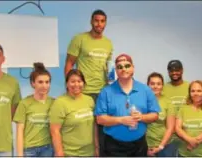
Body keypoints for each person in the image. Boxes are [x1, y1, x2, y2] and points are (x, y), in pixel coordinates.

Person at [64, 9, 114, 154]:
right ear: (91, 21)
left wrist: (112, 87)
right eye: (96, 20)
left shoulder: (108, 43)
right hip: (84, 92)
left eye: (102, 21)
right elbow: (69, 64)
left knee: (104, 129)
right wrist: (69, 86)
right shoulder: (79, 39)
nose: (99, 24)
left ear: (105, 23)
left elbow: (108, 68)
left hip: (103, 92)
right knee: (85, 127)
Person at [94, 54, 161, 157]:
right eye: (119, 67)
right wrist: (121, 120)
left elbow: (155, 115)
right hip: (113, 146)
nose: (123, 69)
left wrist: (141, 117)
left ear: (133, 68)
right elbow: (100, 119)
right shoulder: (106, 91)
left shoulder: (145, 90)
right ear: (116, 70)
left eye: (127, 66)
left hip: (139, 145)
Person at [49, 69, 98, 156]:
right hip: (70, 153)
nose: (76, 84)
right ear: (67, 84)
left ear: (84, 83)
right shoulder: (60, 102)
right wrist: (59, 153)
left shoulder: (89, 100)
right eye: (72, 81)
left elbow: (94, 126)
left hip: (89, 152)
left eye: (79, 81)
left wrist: (97, 147)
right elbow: (54, 131)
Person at [13, 62, 54, 157]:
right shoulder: (24, 103)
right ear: (33, 83)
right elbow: (20, 130)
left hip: (47, 149)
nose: (44, 85)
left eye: (47, 82)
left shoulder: (54, 103)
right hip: (29, 150)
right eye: (40, 82)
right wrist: (20, 155)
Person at [162, 59, 190, 155]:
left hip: (187, 135)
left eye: (177, 70)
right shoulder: (163, 88)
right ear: (168, 72)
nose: (174, 73)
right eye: (171, 71)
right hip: (170, 136)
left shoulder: (190, 87)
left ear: (182, 70)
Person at [146, 72, 176, 157]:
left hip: (166, 145)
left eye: (158, 84)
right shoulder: (142, 101)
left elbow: (170, 128)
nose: (155, 86)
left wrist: (160, 147)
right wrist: (145, 146)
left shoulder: (168, 102)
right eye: (152, 84)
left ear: (162, 86)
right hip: (146, 146)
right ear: (147, 85)